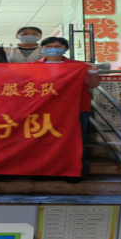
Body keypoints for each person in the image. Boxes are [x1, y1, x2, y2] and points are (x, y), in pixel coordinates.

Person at [31, 36, 100, 183]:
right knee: (41, 139)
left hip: (75, 107)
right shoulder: (31, 66)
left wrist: (92, 73)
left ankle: (73, 171)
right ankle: (42, 170)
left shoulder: (79, 66)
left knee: (73, 139)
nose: (53, 49)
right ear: (42, 49)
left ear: (66, 49)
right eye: (48, 46)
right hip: (42, 107)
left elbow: (92, 85)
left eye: (58, 46)